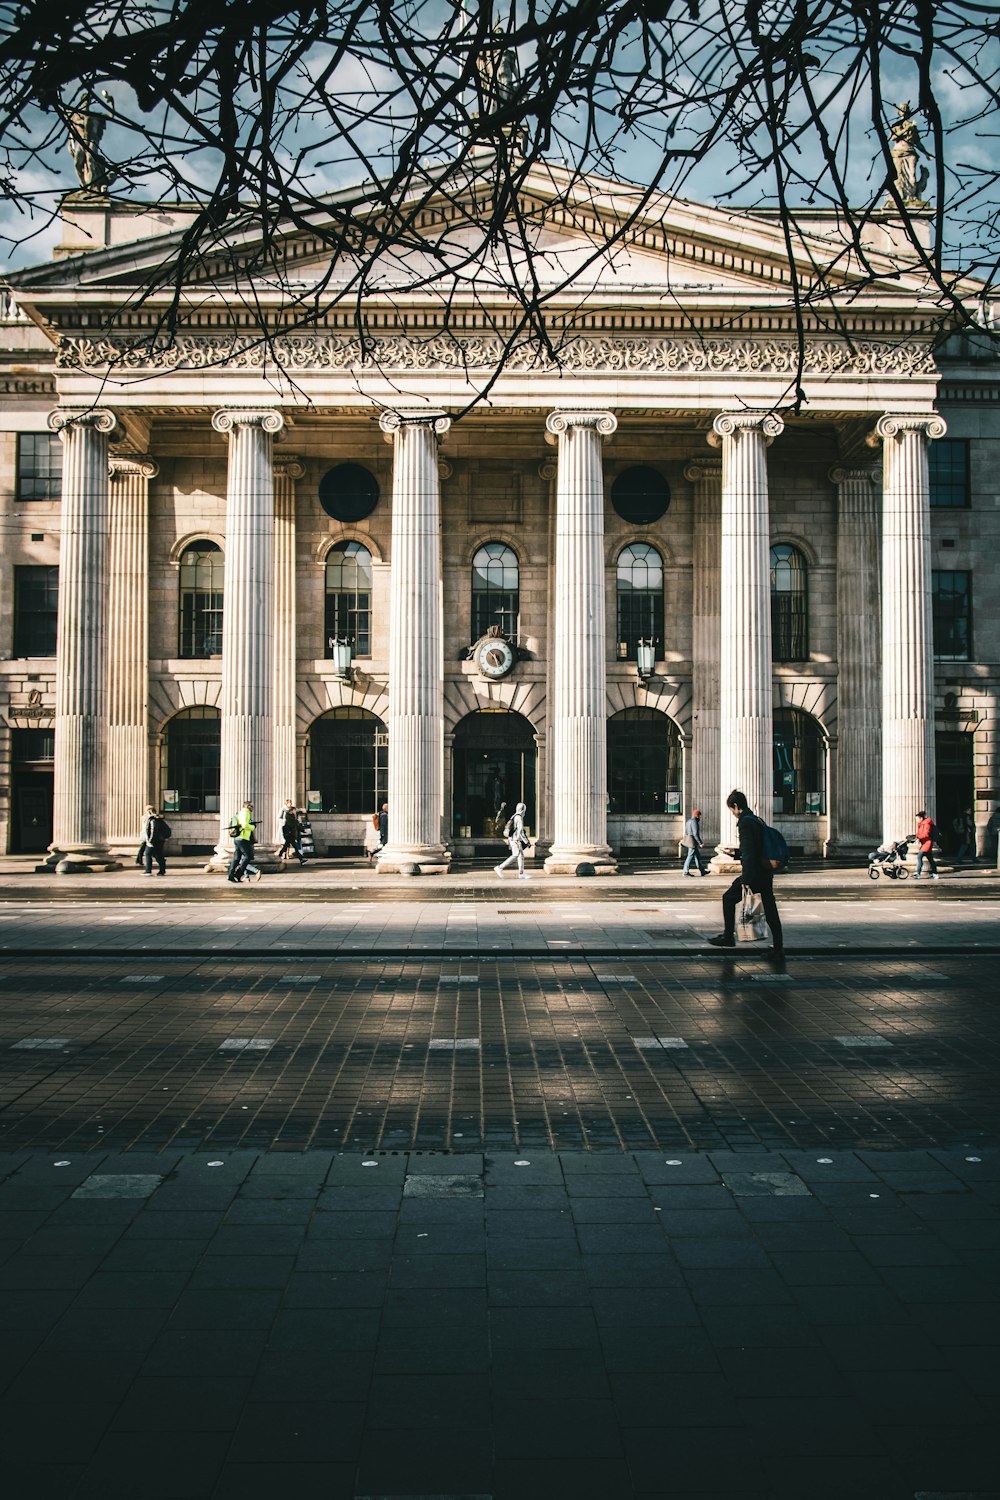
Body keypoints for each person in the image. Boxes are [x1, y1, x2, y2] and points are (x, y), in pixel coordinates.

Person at [708, 789, 783, 956]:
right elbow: (754, 849)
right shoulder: (756, 820)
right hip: (764, 872)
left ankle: (728, 936)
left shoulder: (745, 822)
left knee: (728, 898)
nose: (733, 814)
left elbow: (749, 853)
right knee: (770, 909)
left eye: (732, 810)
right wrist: (734, 853)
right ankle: (778, 948)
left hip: (754, 873)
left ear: (736, 806)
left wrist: (746, 878)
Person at [494, 801, 531, 879]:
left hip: (514, 839)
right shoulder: (519, 818)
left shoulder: (514, 816)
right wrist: (527, 842)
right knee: (515, 855)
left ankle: (521, 873)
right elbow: (520, 831)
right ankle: (500, 867)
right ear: (523, 809)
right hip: (515, 840)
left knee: (521, 856)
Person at [228, 801, 261, 884]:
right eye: (251, 806)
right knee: (248, 856)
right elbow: (244, 825)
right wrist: (253, 827)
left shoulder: (240, 813)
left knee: (236, 858)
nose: (252, 808)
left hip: (238, 838)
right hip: (243, 838)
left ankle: (231, 876)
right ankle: (238, 874)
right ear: (248, 806)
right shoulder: (246, 812)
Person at [142, 807, 171, 877]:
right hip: (160, 840)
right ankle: (162, 870)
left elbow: (153, 831)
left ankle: (148, 870)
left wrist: (150, 841)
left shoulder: (152, 820)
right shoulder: (158, 819)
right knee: (158, 855)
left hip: (154, 841)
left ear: (149, 812)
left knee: (148, 854)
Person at [278, 799, 306, 864]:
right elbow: (293, 824)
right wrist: (298, 823)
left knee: (286, 846)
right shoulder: (288, 816)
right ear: (292, 811)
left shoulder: (292, 816)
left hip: (290, 834)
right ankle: (301, 859)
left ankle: (280, 854)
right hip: (288, 833)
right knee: (294, 846)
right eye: (294, 810)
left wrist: (301, 829)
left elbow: (296, 825)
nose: (295, 812)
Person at [682, 807, 707, 877]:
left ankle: (702, 871)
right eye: (699, 815)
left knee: (697, 857)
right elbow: (695, 833)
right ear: (697, 815)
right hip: (692, 842)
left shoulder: (688, 821)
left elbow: (686, 832)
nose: (700, 817)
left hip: (690, 840)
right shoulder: (694, 822)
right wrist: (700, 843)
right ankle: (685, 871)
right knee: (690, 856)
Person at [914, 810, 939, 879]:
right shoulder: (922, 824)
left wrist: (918, 836)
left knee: (919, 857)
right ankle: (935, 873)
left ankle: (918, 873)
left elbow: (926, 834)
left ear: (921, 818)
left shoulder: (926, 824)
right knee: (930, 859)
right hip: (925, 843)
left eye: (916, 819)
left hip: (927, 843)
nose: (916, 820)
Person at [136, 804, 155, 870]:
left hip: (146, 834)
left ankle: (139, 860)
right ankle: (138, 860)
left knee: (144, 847)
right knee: (144, 847)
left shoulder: (148, 817)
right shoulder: (146, 817)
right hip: (145, 835)